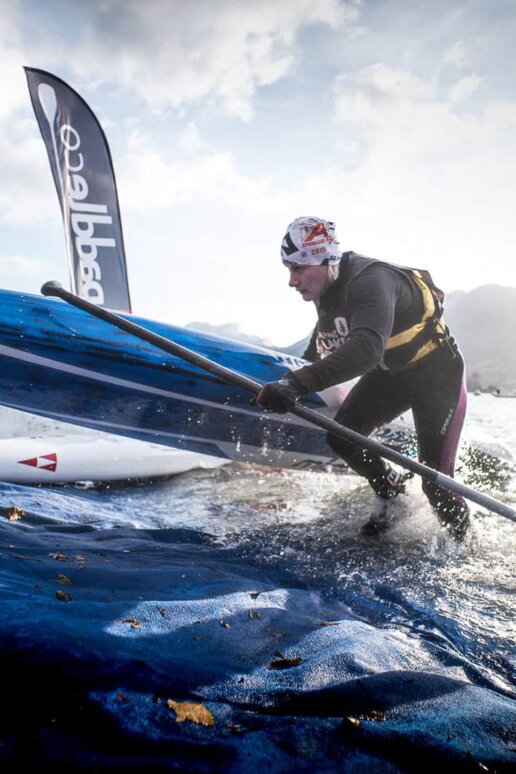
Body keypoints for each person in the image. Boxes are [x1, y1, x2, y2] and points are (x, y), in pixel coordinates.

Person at [256, 216, 470, 539]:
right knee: (342, 437)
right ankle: (392, 494)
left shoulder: (371, 280)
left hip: (437, 374)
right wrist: (283, 381)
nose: (292, 280)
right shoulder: (326, 293)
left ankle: (463, 547)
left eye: (298, 268)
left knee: (434, 482)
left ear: (326, 259)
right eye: (289, 268)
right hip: (392, 376)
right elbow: (322, 347)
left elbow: (366, 350)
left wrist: (297, 384)